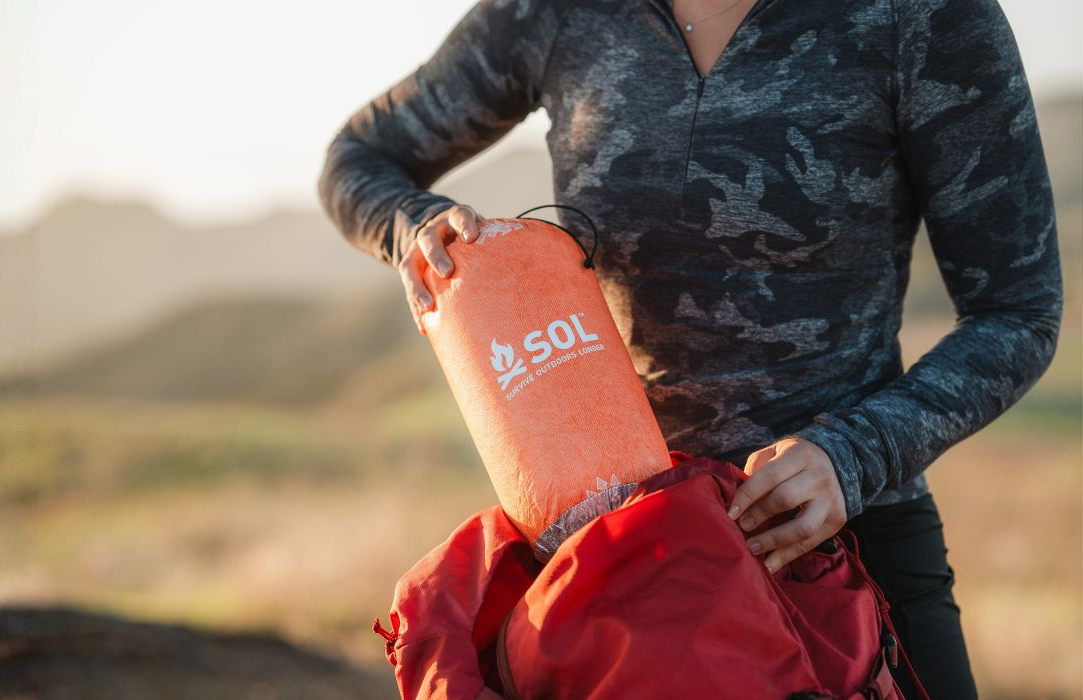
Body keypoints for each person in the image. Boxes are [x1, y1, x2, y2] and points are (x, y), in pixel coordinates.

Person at [317, 0, 1063, 695]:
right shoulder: (555, 13)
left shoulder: (923, 15)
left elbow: (1018, 311)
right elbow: (357, 159)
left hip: (845, 549)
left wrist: (853, 454)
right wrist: (419, 231)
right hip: (624, 564)